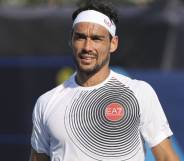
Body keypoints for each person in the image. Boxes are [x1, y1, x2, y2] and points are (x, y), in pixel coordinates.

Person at [29, 1, 179, 161]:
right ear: (71, 41)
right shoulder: (46, 103)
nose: (87, 47)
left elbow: (167, 157)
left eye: (96, 38)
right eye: (80, 37)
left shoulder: (139, 93)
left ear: (113, 44)